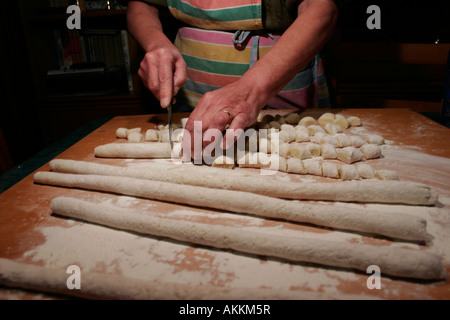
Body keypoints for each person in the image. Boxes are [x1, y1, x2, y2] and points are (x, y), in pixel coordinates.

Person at [126, 0, 339, 160]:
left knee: (290, 155)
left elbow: (322, 8)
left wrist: (253, 88)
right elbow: (140, 5)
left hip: (284, 77)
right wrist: (154, 43)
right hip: (192, 90)